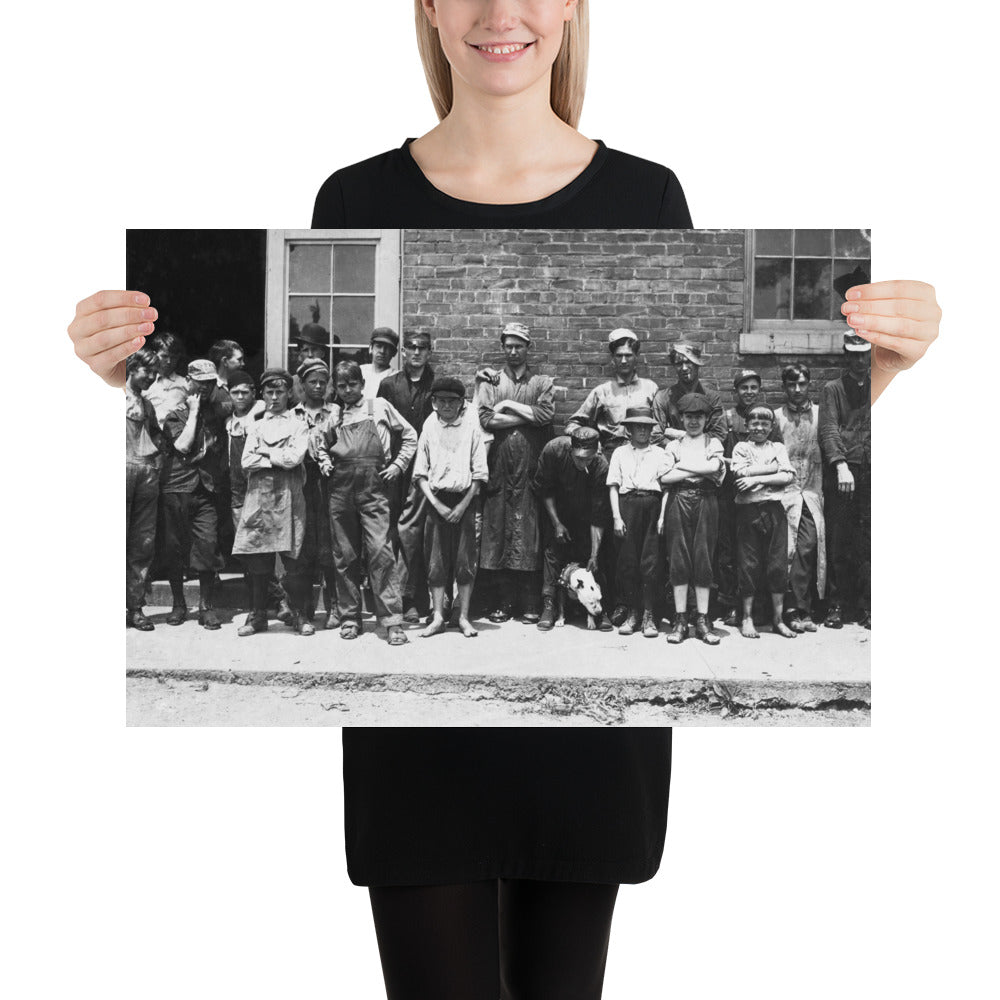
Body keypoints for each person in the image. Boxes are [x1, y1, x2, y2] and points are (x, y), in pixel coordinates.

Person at [67, 2, 941, 996]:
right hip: (416, 758)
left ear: (573, 6)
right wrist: (111, 379)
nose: (500, 11)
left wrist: (894, 367)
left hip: (586, 757)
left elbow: (695, 434)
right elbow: (508, 421)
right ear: (429, 10)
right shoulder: (354, 193)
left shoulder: (649, 192)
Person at [314, 361, 417, 646]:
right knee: (344, 554)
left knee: (380, 552)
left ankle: (392, 622)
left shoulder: (379, 406)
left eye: (352, 385)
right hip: (341, 489)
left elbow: (410, 435)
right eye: (342, 386)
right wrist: (323, 461)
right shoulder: (334, 415)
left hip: (374, 489)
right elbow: (320, 445)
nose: (347, 391)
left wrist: (398, 465)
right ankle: (350, 617)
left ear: (362, 383)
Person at [476, 321, 555, 623]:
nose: (513, 351)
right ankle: (504, 601)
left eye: (518, 346)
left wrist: (508, 405)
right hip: (499, 468)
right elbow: (485, 419)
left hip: (531, 468)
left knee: (529, 532)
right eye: (508, 346)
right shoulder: (491, 381)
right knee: (499, 532)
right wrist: (526, 417)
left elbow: (546, 415)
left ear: (527, 348)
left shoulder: (541, 382)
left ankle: (530, 601)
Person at [232, 368, 313, 637]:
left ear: (289, 393)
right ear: (263, 394)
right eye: (270, 392)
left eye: (280, 392)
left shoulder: (299, 424)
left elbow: (295, 459)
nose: (275, 397)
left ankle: (300, 615)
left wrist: (265, 452)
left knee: (294, 561)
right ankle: (257, 617)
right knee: (259, 562)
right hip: (259, 498)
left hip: (290, 498)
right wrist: (278, 456)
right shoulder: (254, 424)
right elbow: (246, 461)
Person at [412, 376, 488, 638]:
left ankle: (464, 617)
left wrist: (462, 506)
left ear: (461, 404)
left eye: (452, 401)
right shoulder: (429, 427)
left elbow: (479, 475)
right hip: (436, 501)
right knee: (436, 562)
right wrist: (437, 505)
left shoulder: (471, 428)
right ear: (433, 402)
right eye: (441, 401)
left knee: (465, 561)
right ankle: (438, 617)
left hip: (465, 500)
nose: (446, 406)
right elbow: (420, 474)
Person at [158, 358, 229, 629]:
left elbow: (242, 405)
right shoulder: (175, 414)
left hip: (206, 488)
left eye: (210, 383)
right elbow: (184, 446)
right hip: (177, 487)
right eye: (200, 383)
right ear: (189, 382)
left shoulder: (218, 410)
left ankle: (206, 606)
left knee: (207, 546)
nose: (205, 388)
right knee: (175, 548)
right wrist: (195, 411)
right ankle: (179, 604)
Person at [376, 331, 437, 621]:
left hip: (425, 468)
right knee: (388, 531)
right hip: (393, 468)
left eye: (422, 348)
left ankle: (412, 598)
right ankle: (388, 598)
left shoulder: (437, 386)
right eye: (411, 347)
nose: (416, 352)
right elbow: (380, 427)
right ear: (403, 351)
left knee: (415, 535)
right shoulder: (389, 385)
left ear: (429, 351)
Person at [716, 368, 784, 625]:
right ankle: (732, 606)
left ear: (760, 390)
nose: (749, 392)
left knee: (759, 555)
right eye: (744, 388)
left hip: (761, 496)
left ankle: (760, 610)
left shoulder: (767, 419)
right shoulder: (728, 418)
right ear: (736, 392)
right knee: (730, 551)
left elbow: (778, 458)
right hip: (732, 493)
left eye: (753, 387)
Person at [657, 393, 726, 645]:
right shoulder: (673, 446)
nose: (693, 422)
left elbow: (714, 469)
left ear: (706, 419)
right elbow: (664, 477)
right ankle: (680, 620)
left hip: (706, 500)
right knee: (679, 558)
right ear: (682, 418)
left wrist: (682, 467)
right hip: (679, 500)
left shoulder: (713, 442)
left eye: (699, 417)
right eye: (689, 417)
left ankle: (703, 619)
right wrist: (697, 466)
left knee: (703, 558)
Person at [533, 425, 614, 632]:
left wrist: (594, 554)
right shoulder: (554, 450)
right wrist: (556, 523)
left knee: (596, 559)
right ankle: (549, 605)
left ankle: (601, 609)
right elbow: (544, 489)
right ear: (571, 449)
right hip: (557, 511)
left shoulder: (601, 466)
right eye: (579, 458)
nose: (583, 462)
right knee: (552, 554)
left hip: (586, 517)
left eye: (588, 458)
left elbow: (599, 513)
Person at [820, 332, 873, 629]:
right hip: (846, 472)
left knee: (870, 540)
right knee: (840, 539)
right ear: (846, 355)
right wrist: (840, 465)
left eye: (864, 354)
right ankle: (837, 604)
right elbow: (828, 429)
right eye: (854, 355)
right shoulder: (833, 389)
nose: (860, 360)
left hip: (874, 469)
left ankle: (867, 606)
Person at [730, 404, 797, 640]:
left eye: (764, 424)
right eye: (754, 423)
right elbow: (739, 473)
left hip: (774, 510)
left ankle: (778, 619)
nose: (759, 428)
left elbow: (787, 476)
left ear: (771, 427)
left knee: (777, 564)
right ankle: (747, 618)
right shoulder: (740, 447)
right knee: (748, 565)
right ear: (747, 425)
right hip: (748, 511)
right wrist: (771, 472)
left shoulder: (778, 447)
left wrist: (755, 477)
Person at [607, 406, 668, 638]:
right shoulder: (620, 453)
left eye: (646, 427)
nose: (642, 431)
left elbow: (666, 489)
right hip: (628, 505)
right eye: (637, 427)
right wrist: (616, 517)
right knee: (628, 562)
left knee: (650, 562)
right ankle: (633, 613)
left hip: (652, 505)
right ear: (629, 430)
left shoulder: (661, 454)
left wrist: (662, 516)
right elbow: (613, 486)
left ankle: (649, 614)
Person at [774, 363, 826, 633]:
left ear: (809, 385)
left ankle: (803, 607)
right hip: (784, 493)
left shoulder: (820, 414)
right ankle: (787, 610)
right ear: (784, 387)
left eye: (802, 384)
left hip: (812, 491)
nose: (797, 390)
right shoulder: (776, 417)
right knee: (785, 550)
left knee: (807, 547)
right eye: (791, 385)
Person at [293, 358, 340, 628]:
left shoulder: (335, 412)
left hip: (329, 481)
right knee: (304, 545)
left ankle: (334, 606)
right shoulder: (293, 414)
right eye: (313, 382)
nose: (319, 386)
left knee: (329, 544)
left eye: (323, 382)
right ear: (302, 384)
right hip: (301, 481)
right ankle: (304, 608)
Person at [564, 328, 661, 454]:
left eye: (628, 355)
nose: (624, 361)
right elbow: (573, 424)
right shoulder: (602, 392)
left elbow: (660, 426)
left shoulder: (650, 388)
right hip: (611, 453)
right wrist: (590, 441)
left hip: (646, 453)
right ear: (613, 359)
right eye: (619, 356)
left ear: (636, 357)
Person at [124, 347, 165, 632]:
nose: (151, 377)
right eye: (146, 371)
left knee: (143, 542)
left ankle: (135, 607)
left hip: (145, 472)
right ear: (131, 368)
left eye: (154, 373)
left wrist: (155, 465)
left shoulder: (148, 405)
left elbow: (158, 438)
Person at [651, 343, 727, 443]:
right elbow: (655, 436)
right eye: (679, 363)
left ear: (697, 363)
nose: (684, 368)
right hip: (673, 455)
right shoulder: (663, 398)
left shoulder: (712, 398)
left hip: (704, 454)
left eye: (688, 362)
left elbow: (719, 434)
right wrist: (677, 449)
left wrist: (678, 435)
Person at [361, 328, 399, 400]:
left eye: (387, 348)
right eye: (378, 346)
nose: (382, 351)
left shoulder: (397, 377)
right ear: (371, 348)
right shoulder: (359, 371)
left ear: (394, 353)